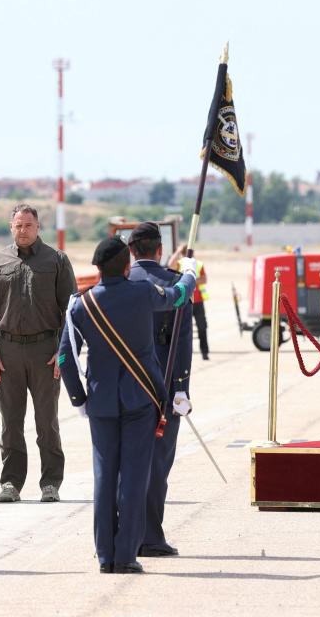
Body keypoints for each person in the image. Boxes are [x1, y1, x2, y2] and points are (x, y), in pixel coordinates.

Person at [58, 236, 196, 574]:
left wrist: (79, 399)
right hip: (140, 400)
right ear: (125, 265)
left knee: (104, 478)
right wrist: (189, 272)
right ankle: (125, 556)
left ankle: (105, 555)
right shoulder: (142, 293)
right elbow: (178, 296)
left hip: (101, 403)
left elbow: (64, 357)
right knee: (134, 477)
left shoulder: (81, 304)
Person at [0, 204, 76, 503]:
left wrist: (63, 351)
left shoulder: (56, 260)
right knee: (11, 422)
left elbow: (71, 310)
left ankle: (50, 484)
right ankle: (11, 483)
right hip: (7, 352)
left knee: (47, 421)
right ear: (11, 227)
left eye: (28, 225)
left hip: (46, 350)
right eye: (18, 225)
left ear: (38, 227)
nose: (23, 230)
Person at [127, 223, 192, 557]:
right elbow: (181, 343)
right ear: (158, 249)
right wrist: (182, 390)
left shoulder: (120, 283)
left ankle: (123, 535)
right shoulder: (173, 283)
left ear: (131, 250)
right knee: (157, 465)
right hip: (163, 389)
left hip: (124, 390)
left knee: (124, 465)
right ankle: (150, 536)